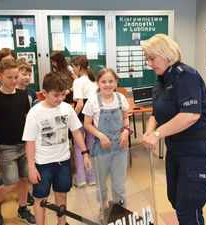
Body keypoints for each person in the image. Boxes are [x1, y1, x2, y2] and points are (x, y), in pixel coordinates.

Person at [141, 34, 206, 225]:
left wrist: (158, 134)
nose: (149, 64)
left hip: (198, 150)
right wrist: (150, 131)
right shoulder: (160, 82)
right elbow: (156, 115)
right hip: (176, 150)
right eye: (147, 59)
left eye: (152, 58)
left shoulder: (185, 76)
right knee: (175, 200)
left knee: (188, 208)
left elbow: (190, 115)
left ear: (165, 54)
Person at [22, 72, 92, 225]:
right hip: (42, 163)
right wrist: (31, 167)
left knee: (62, 194)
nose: (60, 99)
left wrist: (85, 153)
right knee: (41, 198)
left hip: (63, 161)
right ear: (44, 93)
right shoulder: (35, 112)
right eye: (56, 95)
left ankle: (62, 222)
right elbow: (30, 142)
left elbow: (76, 132)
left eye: (62, 95)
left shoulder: (67, 109)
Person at [0, 59, 35, 225]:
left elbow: (27, 120)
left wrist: (32, 144)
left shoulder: (22, 95)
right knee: (10, 181)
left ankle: (22, 209)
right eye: (10, 77)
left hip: (23, 145)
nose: (14, 81)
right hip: (4, 147)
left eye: (15, 77)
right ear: (0, 76)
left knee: (23, 179)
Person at [83, 68, 131, 221]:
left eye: (111, 81)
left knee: (119, 184)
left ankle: (120, 211)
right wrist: (100, 135)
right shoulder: (92, 101)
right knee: (101, 184)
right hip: (101, 148)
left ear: (116, 82)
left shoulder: (120, 98)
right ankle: (103, 208)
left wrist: (125, 131)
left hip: (120, 147)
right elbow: (87, 124)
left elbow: (126, 118)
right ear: (98, 83)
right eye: (103, 81)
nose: (107, 84)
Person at [71, 55, 97, 187]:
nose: (72, 69)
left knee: (79, 147)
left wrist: (71, 118)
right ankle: (91, 177)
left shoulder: (78, 82)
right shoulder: (95, 80)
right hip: (93, 118)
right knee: (90, 147)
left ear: (79, 67)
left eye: (73, 67)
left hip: (81, 117)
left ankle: (80, 178)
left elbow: (80, 104)